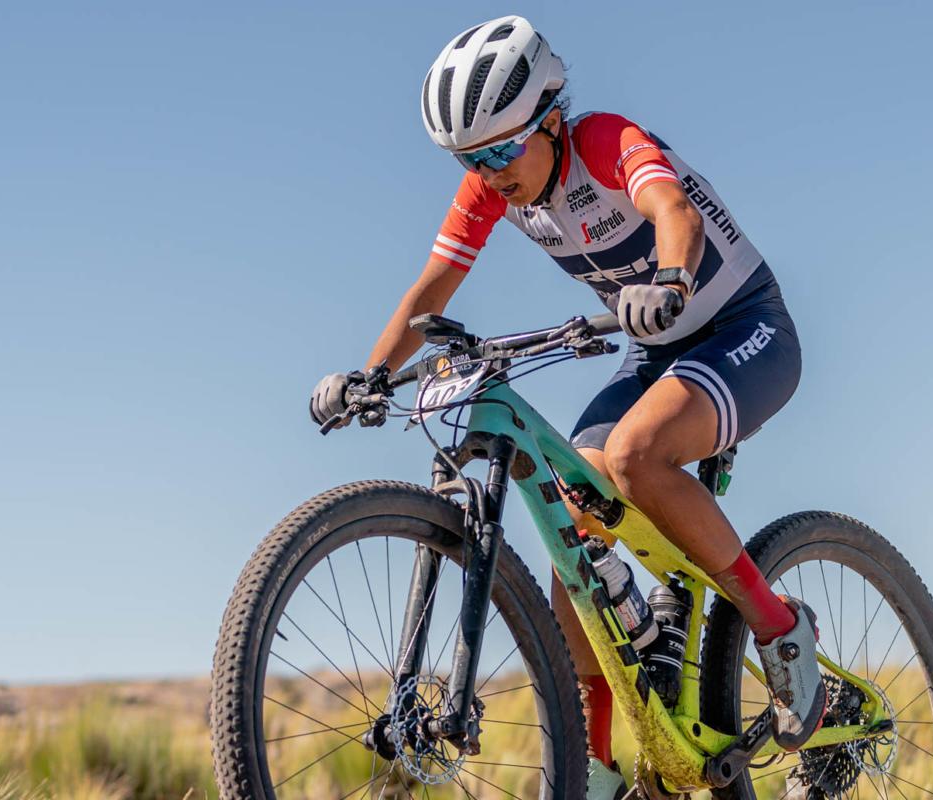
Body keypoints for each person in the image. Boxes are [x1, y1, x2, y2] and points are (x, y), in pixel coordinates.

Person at [309, 15, 826, 797]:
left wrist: (673, 280)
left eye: (502, 150)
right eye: (470, 158)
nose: (490, 171)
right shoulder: (492, 188)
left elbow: (674, 212)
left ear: (551, 118)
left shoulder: (604, 141)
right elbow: (432, 289)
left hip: (743, 328)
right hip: (654, 349)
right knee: (570, 511)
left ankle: (780, 629)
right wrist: (369, 374)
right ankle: (602, 755)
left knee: (633, 456)